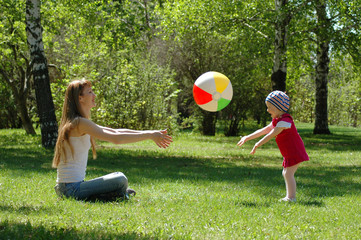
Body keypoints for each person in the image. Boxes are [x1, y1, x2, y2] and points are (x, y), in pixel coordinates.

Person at [52, 79, 173, 201]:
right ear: (80, 98)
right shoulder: (79, 123)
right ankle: (115, 194)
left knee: (117, 176)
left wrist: (150, 133)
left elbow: (116, 132)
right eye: (89, 92)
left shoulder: (79, 122)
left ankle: (113, 194)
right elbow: (116, 139)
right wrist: (150, 135)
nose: (94, 95)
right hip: (71, 190)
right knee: (120, 179)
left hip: (68, 188)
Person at [237, 91, 309, 202]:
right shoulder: (277, 120)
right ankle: (290, 197)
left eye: (270, 107)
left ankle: (291, 197)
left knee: (288, 173)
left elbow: (271, 134)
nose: (267, 110)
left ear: (278, 108)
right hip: (289, 152)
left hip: (295, 151)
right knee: (286, 173)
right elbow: (265, 130)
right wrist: (247, 137)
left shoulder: (285, 121)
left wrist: (257, 144)